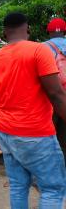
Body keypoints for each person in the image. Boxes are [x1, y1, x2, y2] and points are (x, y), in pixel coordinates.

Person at [0, 12, 66, 208]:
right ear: (27, 28)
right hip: (36, 132)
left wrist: (7, 119)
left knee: (18, 185)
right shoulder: (39, 51)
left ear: (4, 32)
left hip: (5, 130)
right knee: (52, 188)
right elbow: (56, 94)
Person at [45, 17, 66, 161]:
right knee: (64, 137)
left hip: (50, 99)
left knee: (48, 136)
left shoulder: (42, 47)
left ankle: (49, 171)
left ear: (48, 32)